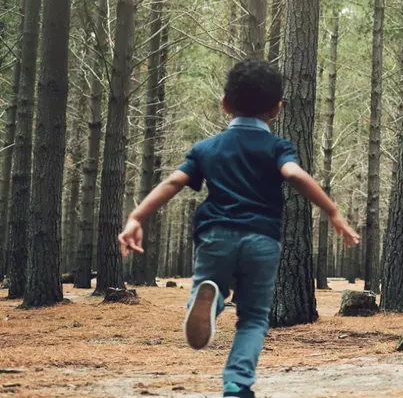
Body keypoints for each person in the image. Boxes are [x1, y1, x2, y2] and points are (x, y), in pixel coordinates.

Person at [118, 60, 360, 398]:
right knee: (254, 317)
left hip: (215, 235)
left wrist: (136, 218)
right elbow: (293, 174)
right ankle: (236, 383)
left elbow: (173, 182)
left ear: (225, 104)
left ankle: (208, 300)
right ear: (277, 109)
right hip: (261, 239)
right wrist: (333, 212)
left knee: (211, 284)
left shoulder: (207, 148)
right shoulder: (277, 147)